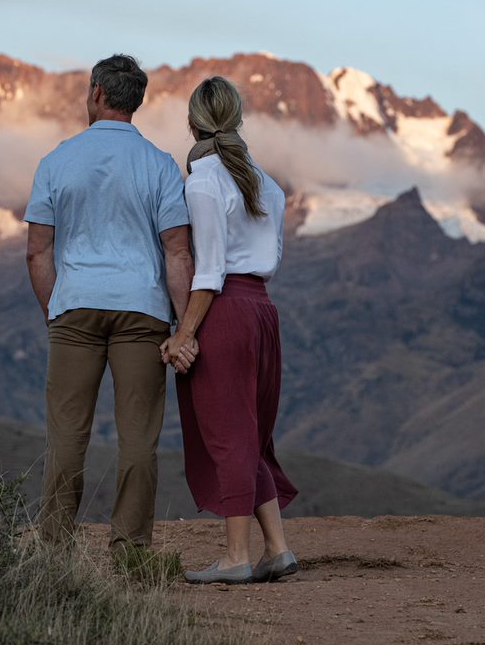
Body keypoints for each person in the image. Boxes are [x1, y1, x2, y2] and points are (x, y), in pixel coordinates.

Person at [24, 53, 195, 550]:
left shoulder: (56, 161)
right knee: (139, 437)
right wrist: (184, 327)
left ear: (97, 92)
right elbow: (178, 250)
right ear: (135, 101)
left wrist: (56, 310)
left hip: (74, 306)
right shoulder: (160, 165)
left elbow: (38, 251)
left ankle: (55, 546)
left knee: (66, 435)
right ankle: (130, 550)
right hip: (142, 310)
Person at [161, 75, 298, 584]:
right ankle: (277, 549)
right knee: (253, 433)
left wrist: (184, 334)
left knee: (228, 435)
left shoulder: (202, 181)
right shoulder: (270, 184)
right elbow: (271, 257)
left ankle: (237, 557)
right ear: (236, 120)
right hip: (263, 310)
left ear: (194, 122)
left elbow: (210, 269)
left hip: (224, 311)